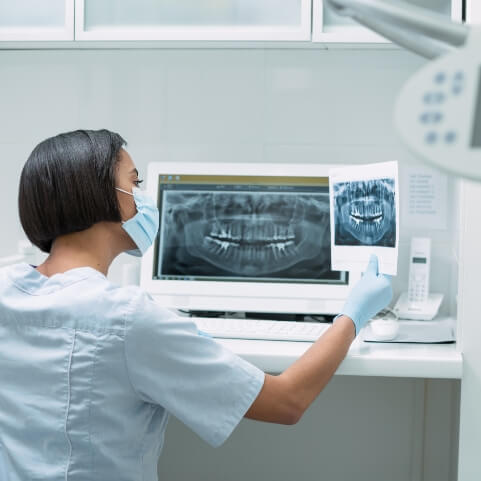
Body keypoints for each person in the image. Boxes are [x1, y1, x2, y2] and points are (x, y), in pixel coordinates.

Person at [0, 129, 392, 480]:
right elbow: (287, 401)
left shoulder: (7, 289)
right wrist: (352, 315)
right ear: (103, 198)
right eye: (134, 183)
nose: (143, 197)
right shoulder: (125, 319)